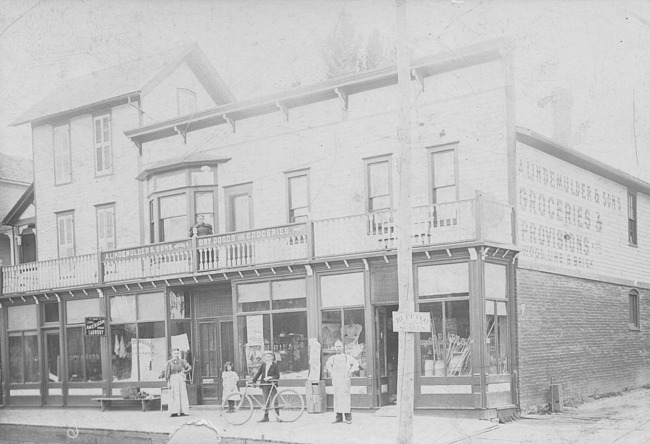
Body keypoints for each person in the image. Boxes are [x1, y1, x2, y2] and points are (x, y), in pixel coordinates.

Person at [325, 339, 359, 424]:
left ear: (342, 347)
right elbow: (328, 365)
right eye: (337, 347)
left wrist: (351, 371)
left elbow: (356, 363)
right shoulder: (332, 358)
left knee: (345, 399)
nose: (338, 348)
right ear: (335, 348)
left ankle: (348, 418)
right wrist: (331, 372)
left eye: (339, 346)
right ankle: (338, 417)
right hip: (337, 381)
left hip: (345, 380)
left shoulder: (347, 357)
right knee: (337, 399)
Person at [252, 350, 281, 422]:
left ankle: (278, 417)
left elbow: (277, 376)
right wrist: (253, 380)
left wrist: (270, 377)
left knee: (275, 401)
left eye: (269, 356)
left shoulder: (275, 365)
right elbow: (258, 373)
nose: (268, 357)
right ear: (264, 357)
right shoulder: (263, 365)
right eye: (266, 356)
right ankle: (266, 417)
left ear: (272, 357)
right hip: (264, 385)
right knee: (266, 402)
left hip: (272, 384)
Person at [165, 348, 192, 417]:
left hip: (180, 378)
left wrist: (185, 372)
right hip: (173, 378)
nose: (176, 355)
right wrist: (168, 381)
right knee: (174, 394)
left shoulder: (182, 361)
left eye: (177, 353)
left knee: (182, 393)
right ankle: (174, 411)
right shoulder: (169, 362)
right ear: (172, 354)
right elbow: (167, 372)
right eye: (174, 353)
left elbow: (189, 367)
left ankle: (183, 411)